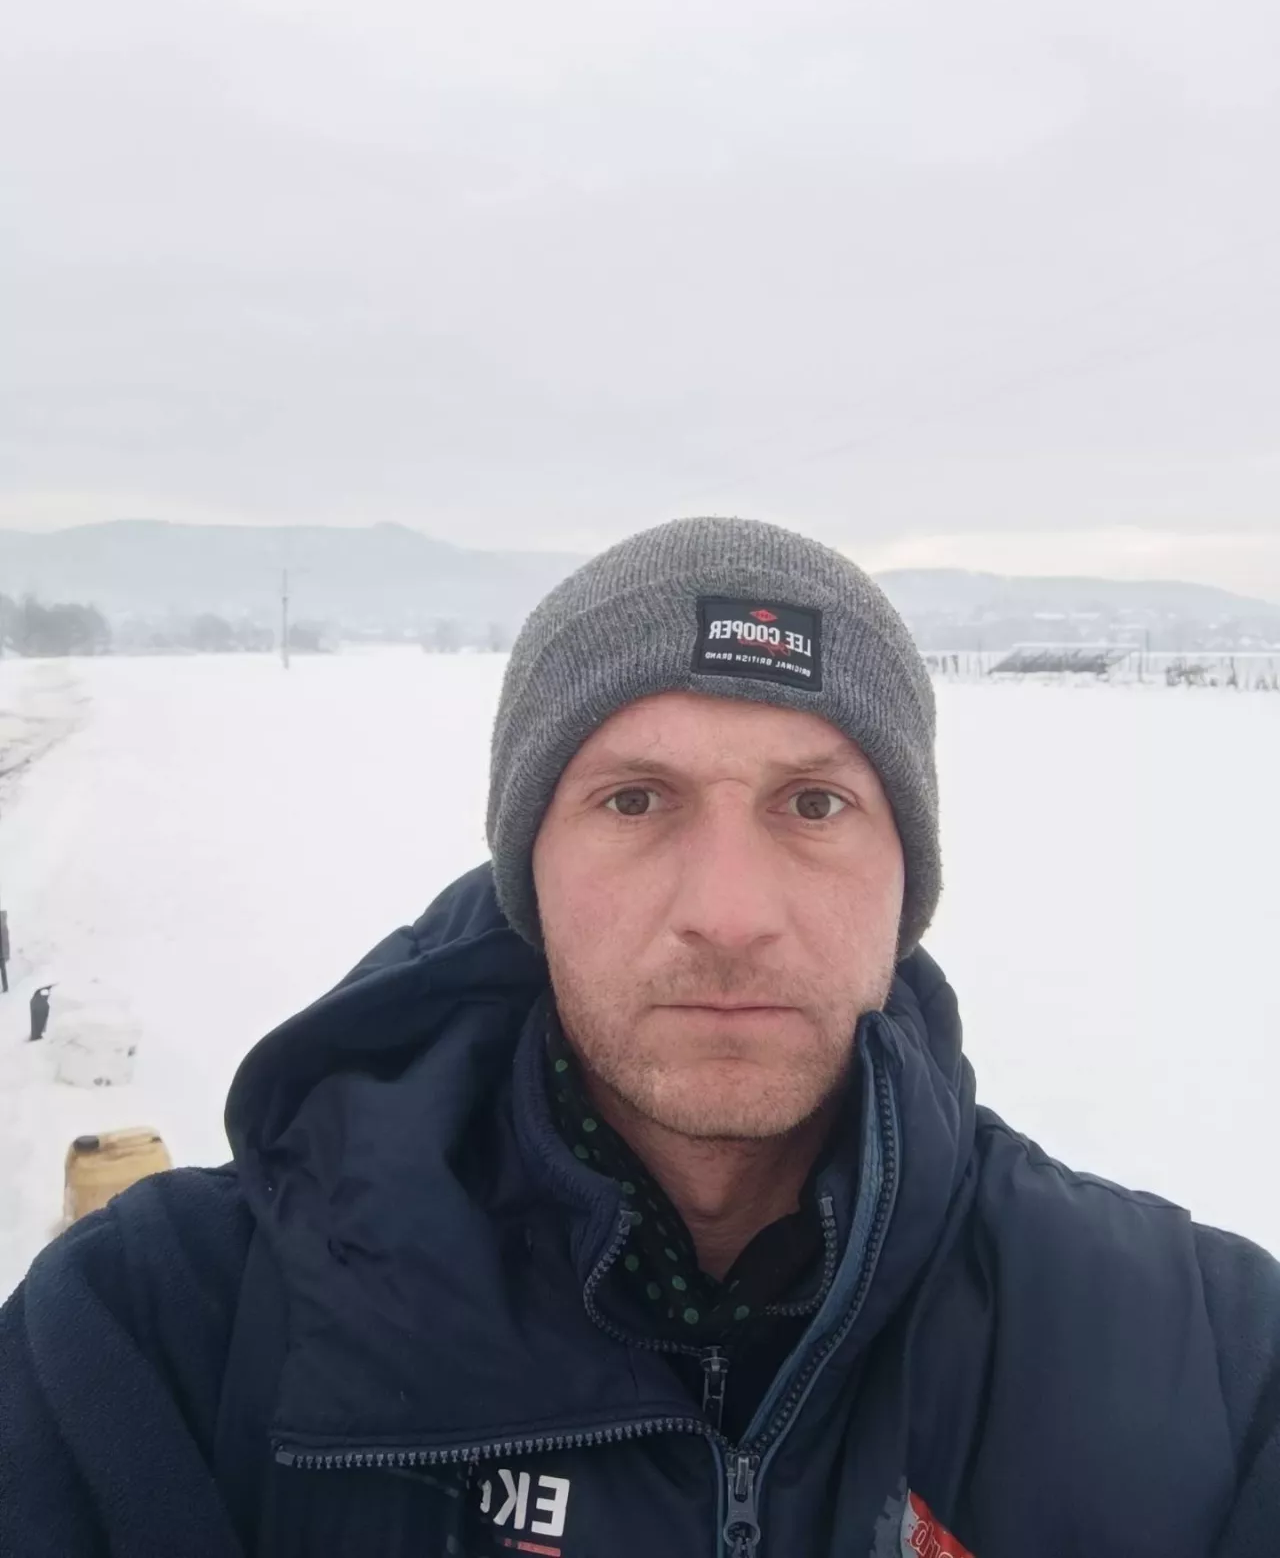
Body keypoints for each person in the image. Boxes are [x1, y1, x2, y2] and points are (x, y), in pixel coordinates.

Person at [2, 516, 1278, 1558]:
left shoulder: (1215, 1373)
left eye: (813, 803)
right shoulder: (157, 1338)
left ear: (907, 882)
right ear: (529, 875)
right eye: (633, 800)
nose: (727, 913)